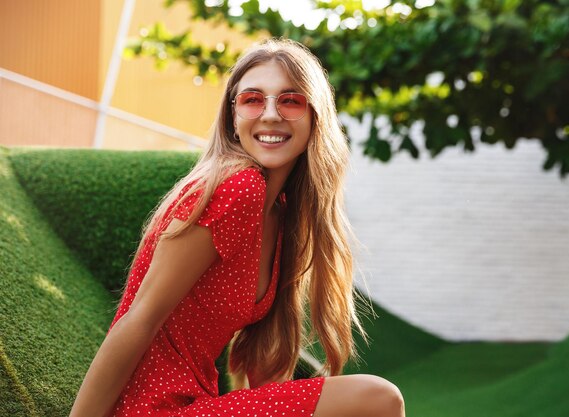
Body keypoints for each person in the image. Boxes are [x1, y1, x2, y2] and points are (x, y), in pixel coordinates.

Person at [70, 38, 405, 417]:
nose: (271, 114)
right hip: (151, 408)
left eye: (290, 100)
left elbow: (264, 374)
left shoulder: (280, 218)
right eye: (253, 99)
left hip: (198, 404)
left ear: (315, 116)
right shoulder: (237, 188)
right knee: (379, 398)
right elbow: (139, 317)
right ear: (233, 115)